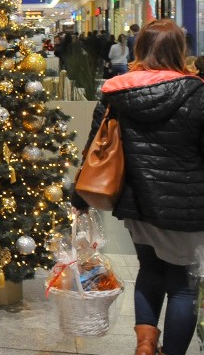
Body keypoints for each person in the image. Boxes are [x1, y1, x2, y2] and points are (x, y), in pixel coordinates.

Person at [72, 19, 204, 355]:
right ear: (181, 50)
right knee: (183, 285)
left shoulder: (117, 91)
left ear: (139, 47)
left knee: (149, 270)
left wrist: (79, 193)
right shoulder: (197, 92)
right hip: (186, 206)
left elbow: (95, 145)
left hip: (137, 201)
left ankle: (145, 346)